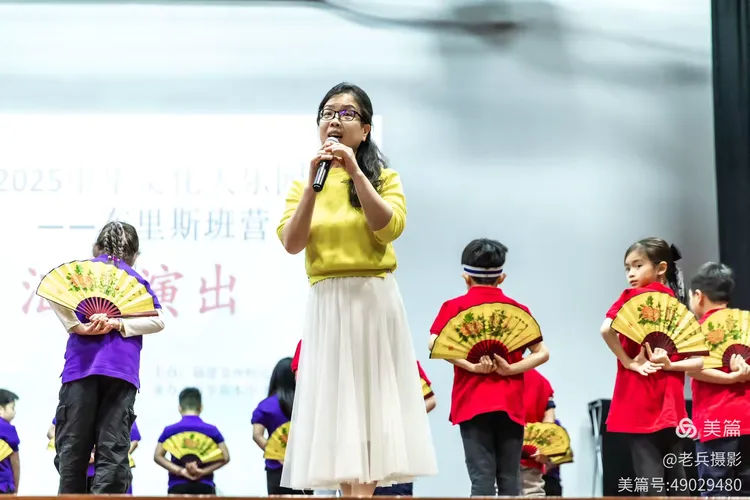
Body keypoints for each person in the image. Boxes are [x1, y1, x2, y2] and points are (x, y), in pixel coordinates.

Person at [276, 82, 437, 496]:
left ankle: (363, 495)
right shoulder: (304, 185)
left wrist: (356, 173)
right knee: (337, 412)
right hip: (327, 302)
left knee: (370, 408)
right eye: (328, 113)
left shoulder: (384, 178)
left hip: (372, 298)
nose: (335, 120)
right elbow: (292, 243)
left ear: (365, 130)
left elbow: (388, 228)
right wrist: (312, 183)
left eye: (347, 113)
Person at [48, 221, 164, 494]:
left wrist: (77, 327)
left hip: (80, 370)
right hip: (120, 372)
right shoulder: (134, 280)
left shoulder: (82, 273)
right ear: (134, 254)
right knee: (112, 450)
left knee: (73, 449)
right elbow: (158, 320)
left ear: (96, 247)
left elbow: (54, 293)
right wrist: (119, 324)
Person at [428, 238, 550, 496]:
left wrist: (470, 366)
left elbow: (435, 343)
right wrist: (511, 369)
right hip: (510, 404)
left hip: (471, 403)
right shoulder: (517, 309)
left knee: (481, 480)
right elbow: (543, 353)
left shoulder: (454, 307)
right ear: (501, 278)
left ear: (466, 277)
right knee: (510, 479)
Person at [600, 238, 703, 496]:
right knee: (678, 479)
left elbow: (605, 330)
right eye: (627, 268)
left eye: (638, 265)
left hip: (639, 400)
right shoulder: (678, 307)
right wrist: (670, 364)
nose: (631, 273)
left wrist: (628, 362)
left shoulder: (631, 297)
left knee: (650, 481)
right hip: (671, 405)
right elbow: (699, 362)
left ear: (661, 268)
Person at [290, 341, 437, 497]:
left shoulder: (386, 340)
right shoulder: (318, 338)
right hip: (342, 443)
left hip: (386, 448)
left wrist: (393, 422)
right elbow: (305, 386)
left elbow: (429, 399)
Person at [686, 262, 750, 495]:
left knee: (716, 492)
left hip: (716, 425)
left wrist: (732, 378)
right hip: (747, 423)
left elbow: (694, 368)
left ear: (699, 296)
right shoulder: (746, 323)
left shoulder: (697, 330)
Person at [154, 387, 230, 495]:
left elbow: (158, 456)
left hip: (177, 487)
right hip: (205, 486)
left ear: (179, 408)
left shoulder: (170, 430)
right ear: (201, 407)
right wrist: (203, 471)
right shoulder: (212, 430)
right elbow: (225, 457)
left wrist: (180, 471)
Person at [252, 357, 305, 495]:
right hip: (303, 467)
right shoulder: (306, 404)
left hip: (276, 468)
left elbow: (257, 435)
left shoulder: (266, 405)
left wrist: (276, 453)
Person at [48, 418, 141, 494]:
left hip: (112, 472)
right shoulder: (76, 405)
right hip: (79, 470)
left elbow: (134, 441)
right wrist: (75, 448)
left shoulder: (118, 407)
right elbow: (51, 431)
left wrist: (112, 454)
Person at [521, 368, 556, 497]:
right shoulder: (541, 381)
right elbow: (549, 419)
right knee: (533, 492)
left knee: (499, 492)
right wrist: (543, 447)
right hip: (532, 453)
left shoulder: (494, 376)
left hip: (501, 452)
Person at [0, 390, 20, 495]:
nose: (14, 412)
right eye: (12, 408)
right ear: (0, 409)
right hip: (3, 485)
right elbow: (15, 461)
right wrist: (15, 490)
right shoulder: (7, 429)